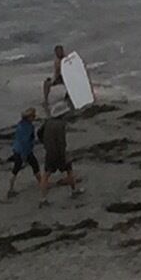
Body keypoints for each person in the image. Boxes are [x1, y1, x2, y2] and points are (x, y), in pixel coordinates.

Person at [40, 46, 81, 193]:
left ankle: (43, 197)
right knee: (68, 169)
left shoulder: (49, 123)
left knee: (48, 173)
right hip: (59, 152)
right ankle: (74, 190)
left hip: (50, 152)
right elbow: (61, 141)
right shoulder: (60, 124)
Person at [6, 107, 44, 199]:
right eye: (33, 116)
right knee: (35, 166)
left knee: (16, 170)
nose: (34, 117)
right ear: (28, 117)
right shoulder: (28, 127)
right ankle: (42, 184)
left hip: (16, 149)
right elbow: (25, 142)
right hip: (24, 151)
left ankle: (10, 189)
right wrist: (25, 155)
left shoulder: (20, 125)